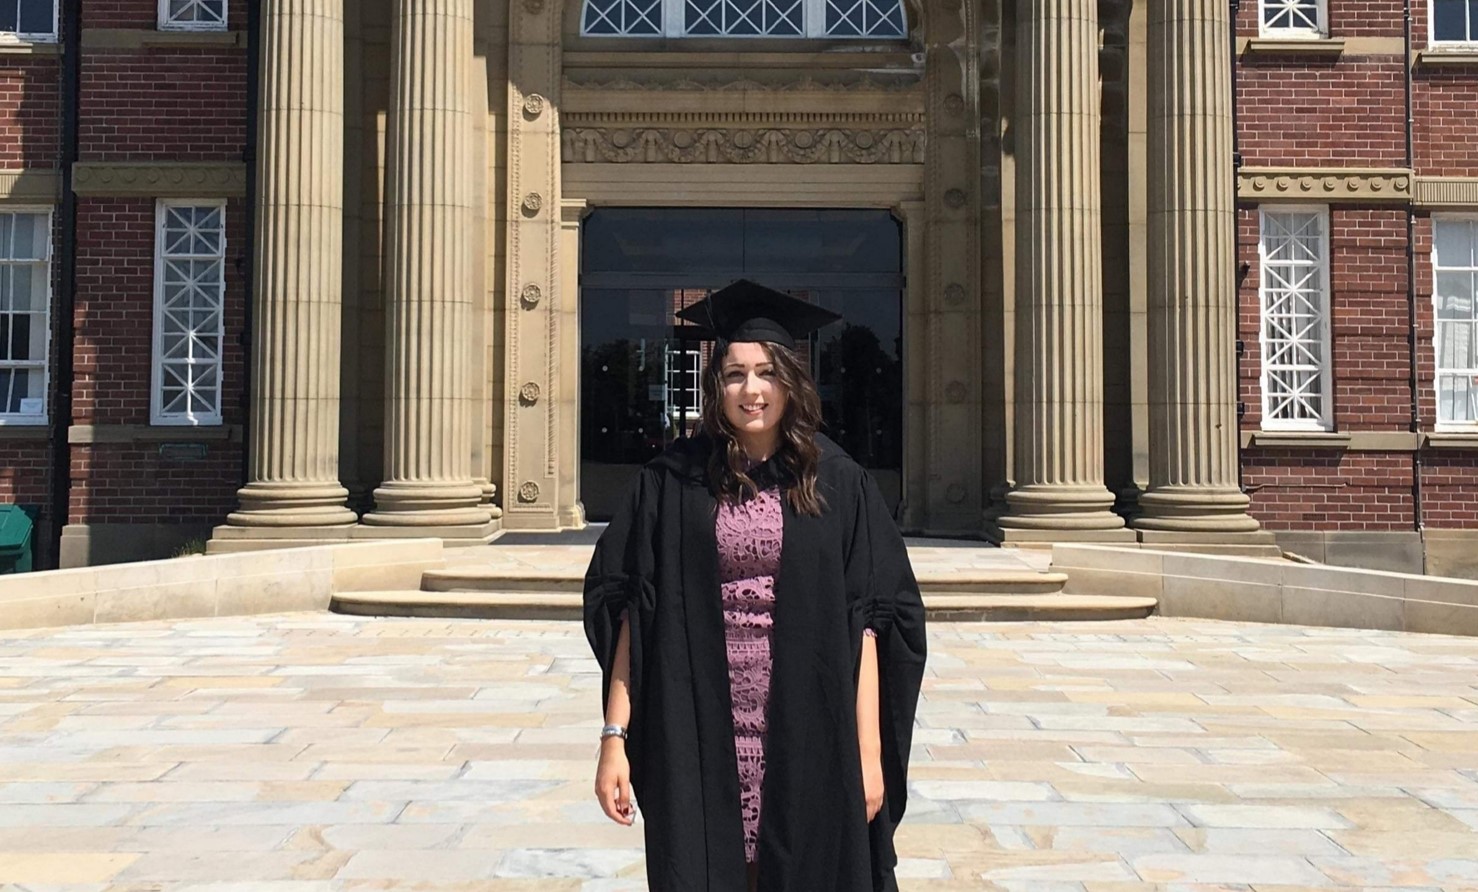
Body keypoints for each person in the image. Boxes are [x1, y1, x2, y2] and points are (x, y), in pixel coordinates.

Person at [583, 279, 928, 892]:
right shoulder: (670, 482)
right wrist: (615, 738)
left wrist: (869, 754)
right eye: (735, 374)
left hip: (810, 724)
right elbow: (633, 608)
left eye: (767, 373)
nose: (752, 390)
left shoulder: (837, 482)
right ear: (715, 387)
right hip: (698, 724)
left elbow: (871, 623)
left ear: (790, 383)